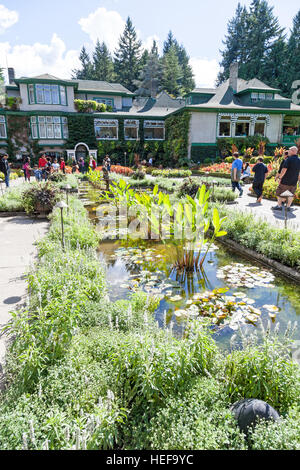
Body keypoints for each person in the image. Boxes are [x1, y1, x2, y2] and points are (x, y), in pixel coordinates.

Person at [273, 146, 300, 212]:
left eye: (289, 150)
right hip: (294, 181)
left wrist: (280, 177)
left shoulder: (288, 159)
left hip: (285, 181)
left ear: (293, 151)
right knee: (291, 194)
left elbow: (284, 169)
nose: (288, 152)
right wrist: (299, 180)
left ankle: (279, 206)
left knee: (279, 193)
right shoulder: (299, 160)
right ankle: (288, 207)